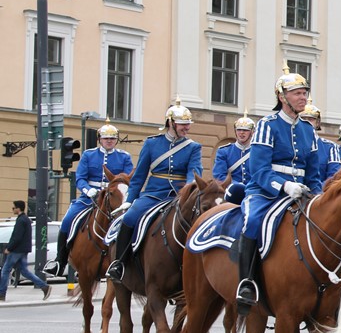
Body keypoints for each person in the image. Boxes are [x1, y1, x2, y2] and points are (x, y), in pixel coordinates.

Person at [235, 67, 322, 317]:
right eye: (297, 93)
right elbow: (259, 170)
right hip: (266, 192)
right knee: (252, 222)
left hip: (301, 192)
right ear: (282, 97)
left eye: (305, 92)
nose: (303, 97)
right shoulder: (266, 125)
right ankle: (247, 283)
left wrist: (317, 196)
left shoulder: (308, 130)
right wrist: (284, 186)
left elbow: (314, 172)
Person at [106, 99, 203, 282]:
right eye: (183, 124)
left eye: (188, 124)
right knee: (129, 218)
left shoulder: (193, 147)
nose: (187, 128)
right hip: (153, 195)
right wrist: (130, 199)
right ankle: (119, 263)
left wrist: (189, 189)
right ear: (171, 123)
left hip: (178, 197)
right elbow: (139, 175)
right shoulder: (152, 144)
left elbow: (194, 172)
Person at [44, 121, 133, 277]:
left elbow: (127, 179)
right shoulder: (89, 155)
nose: (109, 141)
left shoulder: (124, 157)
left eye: (112, 139)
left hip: (114, 199)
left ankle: (129, 262)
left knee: (131, 222)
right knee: (67, 220)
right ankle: (60, 261)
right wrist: (88, 190)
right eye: (106, 138)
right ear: (100, 139)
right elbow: (80, 178)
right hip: (89, 198)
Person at [1, 201, 52, 301]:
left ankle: (1, 294)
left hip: (16, 250)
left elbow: (17, 237)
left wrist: (9, 248)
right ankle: (44, 287)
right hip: (23, 250)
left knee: (5, 270)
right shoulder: (26, 220)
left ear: (18, 209)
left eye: (13, 208)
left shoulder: (21, 221)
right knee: (25, 272)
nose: (13, 210)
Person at [299, 100, 341, 184]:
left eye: (311, 119)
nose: (307, 122)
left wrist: (317, 191)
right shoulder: (290, 143)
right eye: (303, 119)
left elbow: (334, 177)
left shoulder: (330, 147)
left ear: (317, 123)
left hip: (319, 194)